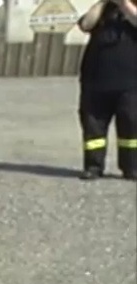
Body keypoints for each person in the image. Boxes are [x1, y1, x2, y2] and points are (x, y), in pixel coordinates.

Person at [76, 0, 137, 180]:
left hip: (131, 81)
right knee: (93, 126)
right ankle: (93, 166)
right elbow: (86, 25)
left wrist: (124, 4)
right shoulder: (102, 8)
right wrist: (103, 2)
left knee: (131, 125)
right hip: (96, 80)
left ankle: (132, 167)